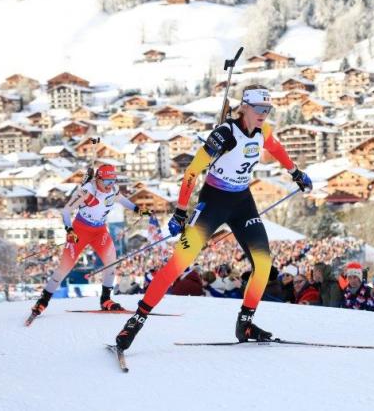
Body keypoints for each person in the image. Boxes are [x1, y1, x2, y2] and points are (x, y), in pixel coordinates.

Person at [115, 85, 312, 351]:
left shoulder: (263, 131)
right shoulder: (225, 134)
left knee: (264, 264)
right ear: (245, 107)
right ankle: (136, 321)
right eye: (259, 109)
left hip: (242, 201)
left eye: (268, 109)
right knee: (178, 263)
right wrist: (180, 211)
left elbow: (276, 148)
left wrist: (295, 172)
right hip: (214, 202)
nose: (264, 114)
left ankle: (245, 323)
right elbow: (191, 172)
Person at [29, 164, 150, 317]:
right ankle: (42, 301)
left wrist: (137, 209)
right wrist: (69, 229)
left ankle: (105, 300)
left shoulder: (112, 188)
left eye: (113, 181)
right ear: (98, 179)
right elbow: (66, 211)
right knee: (64, 268)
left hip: (99, 231)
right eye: (106, 182)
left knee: (111, 263)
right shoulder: (87, 192)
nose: (110, 186)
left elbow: (121, 199)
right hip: (80, 230)